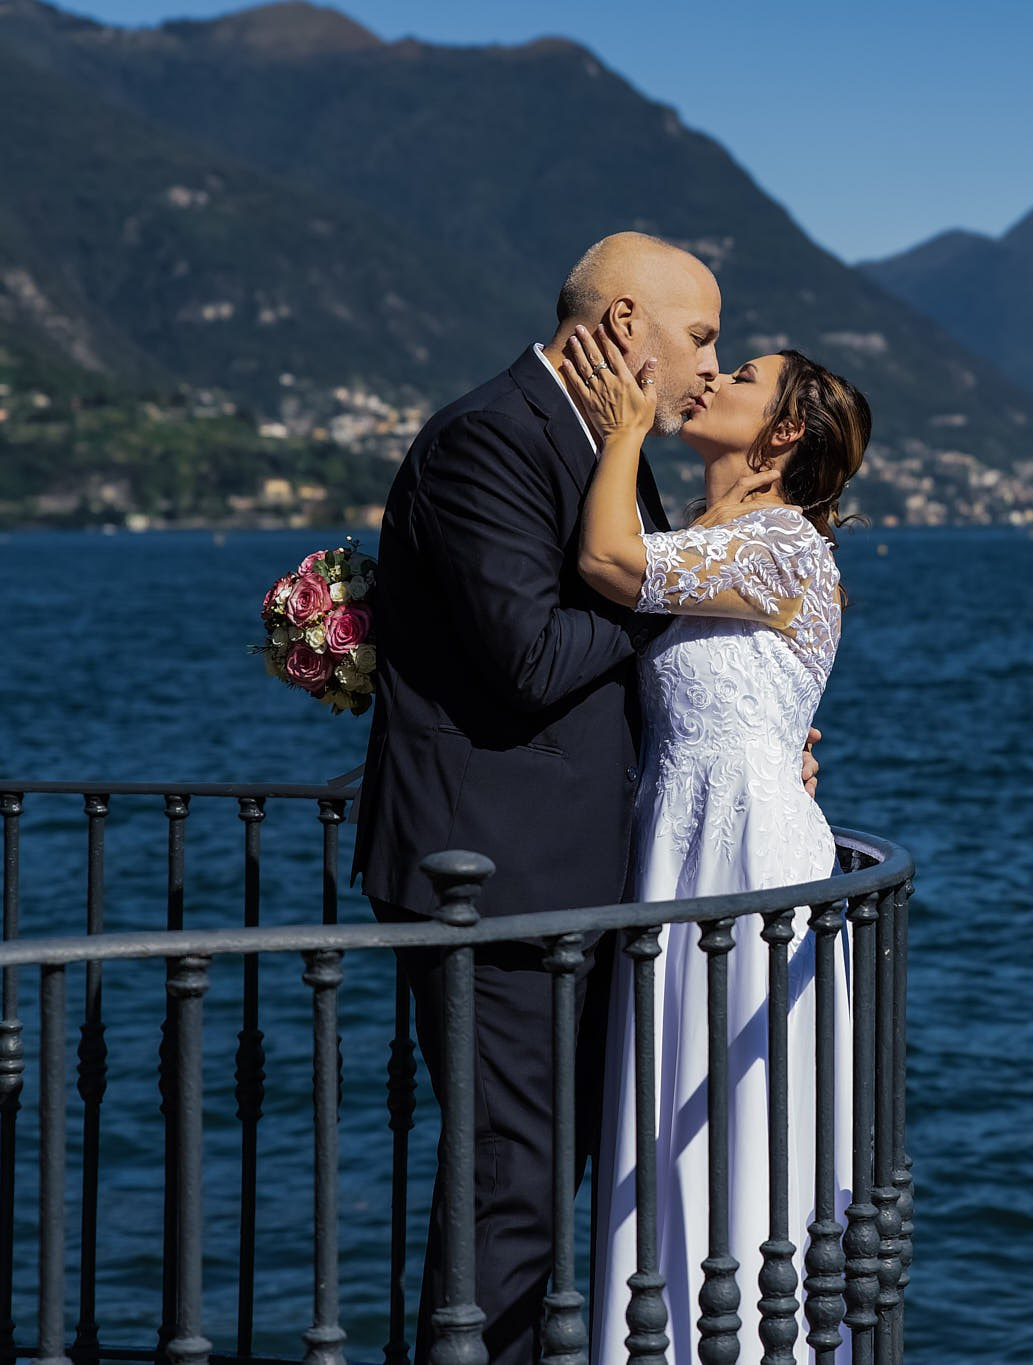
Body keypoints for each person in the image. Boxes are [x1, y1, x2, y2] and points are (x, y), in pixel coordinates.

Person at [352, 232, 819, 1365]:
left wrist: (752, 739)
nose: (709, 368)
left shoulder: (596, 444)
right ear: (620, 327)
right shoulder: (489, 441)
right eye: (700, 337)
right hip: (493, 880)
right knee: (510, 1186)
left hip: (576, 880)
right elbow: (530, 658)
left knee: (555, 1175)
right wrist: (655, 586)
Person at [552, 321, 869, 1362]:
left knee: (729, 1114)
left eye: (741, 376)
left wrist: (621, 431)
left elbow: (605, 561)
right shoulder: (706, 535)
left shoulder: (781, 544)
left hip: (747, 855)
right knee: (662, 1105)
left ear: (779, 434)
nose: (714, 379)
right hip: (676, 839)